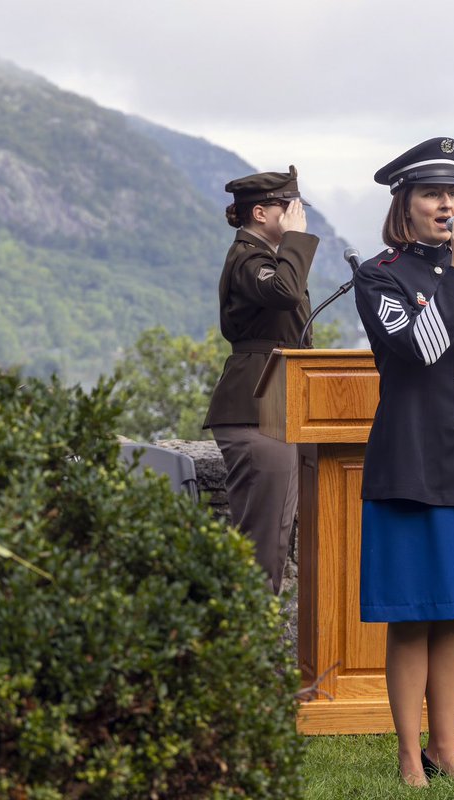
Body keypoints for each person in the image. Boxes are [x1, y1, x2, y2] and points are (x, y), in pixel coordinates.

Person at [352, 137, 454, 787]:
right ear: (404, 206)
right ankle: (406, 754)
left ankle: (446, 748)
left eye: (452, 195)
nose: (446, 205)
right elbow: (419, 349)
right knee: (413, 614)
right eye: (432, 195)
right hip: (410, 464)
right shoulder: (380, 277)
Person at [202, 166, 319, 593]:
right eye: (286, 206)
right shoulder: (248, 258)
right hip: (255, 407)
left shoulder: (266, 258)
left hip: (276, 407)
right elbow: (286, 293)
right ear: (259, 212)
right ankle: (245, 649)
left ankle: (252, 647)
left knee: (273, 538)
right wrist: (296, 240)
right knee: (260, 545)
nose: (296, 214)